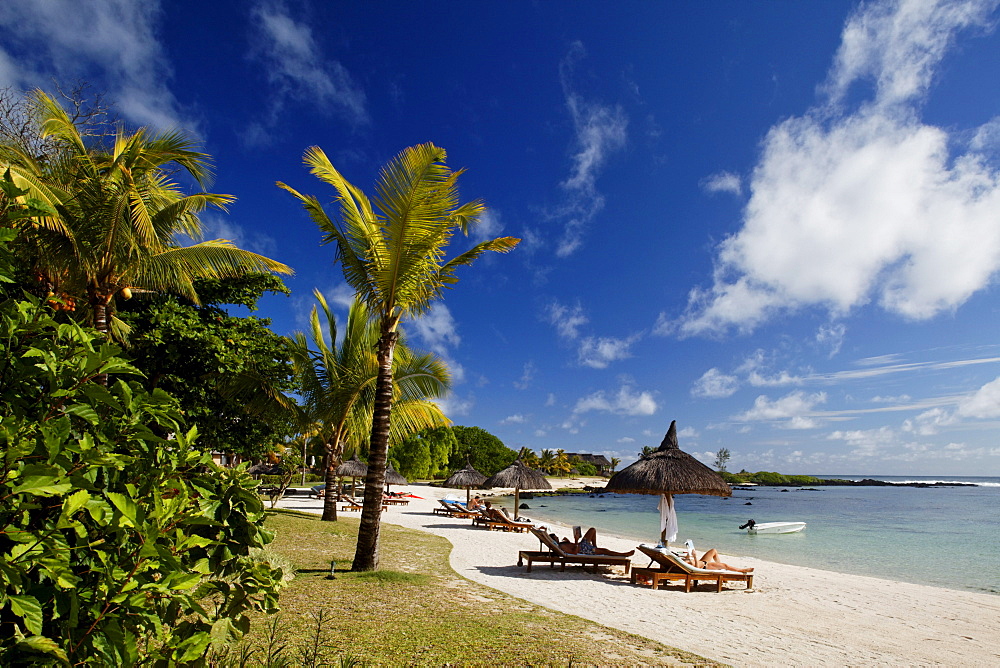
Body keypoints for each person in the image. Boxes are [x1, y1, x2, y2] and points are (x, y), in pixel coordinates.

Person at [554, 527, 634, 557]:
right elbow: (574, 552)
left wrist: (568, 541)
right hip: (584, 549)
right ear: (554, 540)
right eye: (555, 537)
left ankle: (595, 546)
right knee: (605, 551)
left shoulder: (561, 544)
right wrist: (576, 540)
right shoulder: (561, 547)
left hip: (582, 545)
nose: (557, 537)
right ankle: (624, 554)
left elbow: (572, 546)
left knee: (592, 530)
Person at [682, 540, 753, 573]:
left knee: (713, 550)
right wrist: (694, 556)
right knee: (725, 565)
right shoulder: (684, 563)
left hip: (702, 561)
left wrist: (689, 553)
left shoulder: (681, 561)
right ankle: (741, 570)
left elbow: (687, 560)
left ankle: (720, 568)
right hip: (705, 566)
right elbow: (696, 569)